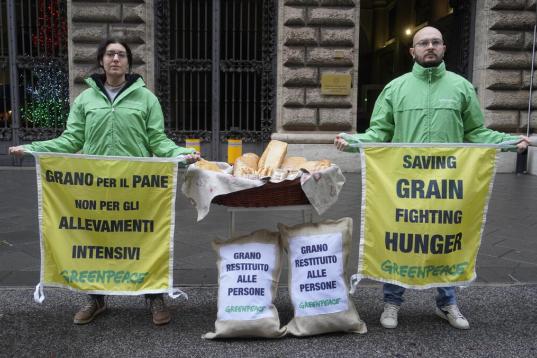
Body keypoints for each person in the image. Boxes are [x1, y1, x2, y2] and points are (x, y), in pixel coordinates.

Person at [335, 26, 529, 330]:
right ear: (412, 51)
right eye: (423, 43)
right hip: (405, 184)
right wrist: (353, 141)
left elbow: (476, 133)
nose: (429, 46)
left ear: (443, 48)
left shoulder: (462, 87)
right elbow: (379, 133)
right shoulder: (395, 88)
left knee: (444, 239)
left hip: (446, 184)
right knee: (400, 238)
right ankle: (392, 302)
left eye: (435, 42)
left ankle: (447, 302)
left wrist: (508, 140)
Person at [9, 38, 199, 326]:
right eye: (110, 54)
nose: (115, 59)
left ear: (128, 63)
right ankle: (95, 299)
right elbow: (71, 140)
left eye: (121, 55)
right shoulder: (86, 100)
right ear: (101, 61)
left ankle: (154, 296)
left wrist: (183, 154)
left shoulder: (146, 99)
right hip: (95, 186)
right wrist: (34, 148)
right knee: (94, 238)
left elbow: (157, 140)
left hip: (136, 186)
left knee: (143, 237)